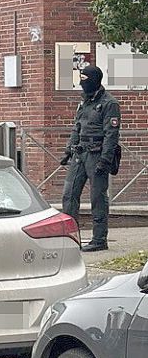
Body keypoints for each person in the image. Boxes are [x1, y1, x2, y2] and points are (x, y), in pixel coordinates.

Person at [61, 65, 121, 252]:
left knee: (98, 198)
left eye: (85, 78)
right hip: (80, 154)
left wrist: (105, 160)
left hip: (97, 154)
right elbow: (76, 127)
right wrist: (69, 150)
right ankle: (70, 238)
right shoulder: (84, 101)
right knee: (69, 195)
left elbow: (111, 135)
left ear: (95, 80)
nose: (82, 82)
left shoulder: (109, 103)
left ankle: (99, 239)